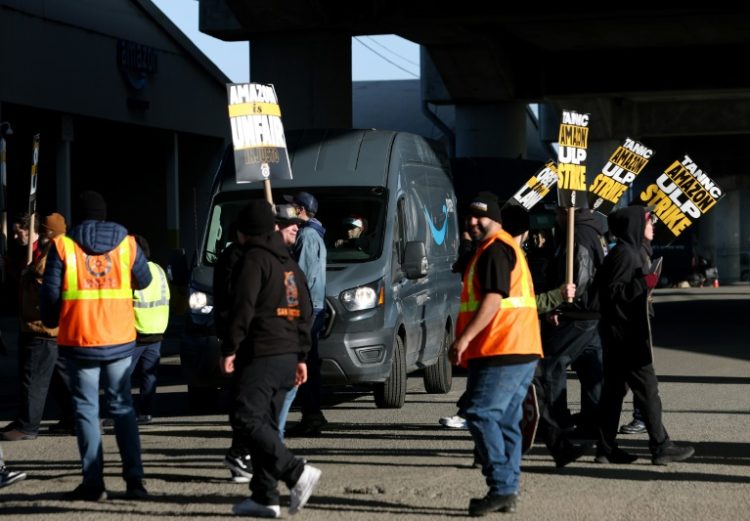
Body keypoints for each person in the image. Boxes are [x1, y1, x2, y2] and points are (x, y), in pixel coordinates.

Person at [41, 190, 153, 501]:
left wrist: (52, 322)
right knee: (123, 408)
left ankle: (94, 484)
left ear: (78, 216)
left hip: (79, 339)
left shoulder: (63, 246)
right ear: (104, 215)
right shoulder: (127, 244)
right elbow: (143, 281)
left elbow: (50, 294)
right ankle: (135, 482)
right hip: (118, 339)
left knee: (87, 412)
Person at [220, 199, 321, 517]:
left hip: (262, 352)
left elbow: (243, 307)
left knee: (246, 417)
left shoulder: (255, 260)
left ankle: (295, 471)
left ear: (246, 231)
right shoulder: (289, 265)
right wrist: (302, 355)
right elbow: (305, 311)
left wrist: (229, 347)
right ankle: (264, 495)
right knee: (265, 424)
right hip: (288, 355)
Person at [448, 192, 543, 516]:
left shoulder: (495, 250)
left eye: (480, 216)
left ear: (496, 219)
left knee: (479, 414)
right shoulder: (498, 248)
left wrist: (463, 339)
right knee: (506, 421)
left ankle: (502, 486)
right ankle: (508, 489)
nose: (473, 222)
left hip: (501, 347)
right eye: (469, 217)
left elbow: (493, 299)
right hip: (520, 347)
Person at [595, 205, 694, 465]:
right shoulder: (626, 254)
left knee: (614, 392)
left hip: (622, 333)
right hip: (626, 335)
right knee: (648, 390)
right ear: (635, 225)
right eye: (649, 221)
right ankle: (661, 446)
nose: (653, 226)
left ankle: (605, 448)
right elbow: (612, 294)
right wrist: (644, 283)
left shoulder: (631, 251)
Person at [1, 213, 74, 441]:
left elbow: (44, 279)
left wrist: (28, 273)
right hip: (48, 327)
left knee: (33, 378)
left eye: (18, 231)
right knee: (61, 380)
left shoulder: (55, 249)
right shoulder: (46, 249)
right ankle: (76, 420)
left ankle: (27, 426)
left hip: (42, 326)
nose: (15, 236)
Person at [539, 208, 607, 439]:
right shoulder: (590, 231)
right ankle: (593, 423)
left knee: (551, 364)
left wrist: (562, 306)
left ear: (566, 212)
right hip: (591, 314)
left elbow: (581, 276)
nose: (555, 216)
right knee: (591, 369)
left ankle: (556, 421)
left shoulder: (577, 233)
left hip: (578, 315)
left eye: (557, 211)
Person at [283, 191, 329, 437]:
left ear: (300, 209)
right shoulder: (312, 234)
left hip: (308, 308)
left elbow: (299, 277)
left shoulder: (308, 236)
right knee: (308, 361)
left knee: (304, 362)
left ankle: (312, 416)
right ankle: (313, 415)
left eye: (291, 206)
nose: (287, 209)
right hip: (314, 306)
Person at [129, 234, 170, 424]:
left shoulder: (133, 272)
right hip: (157, 331)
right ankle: (145, 413)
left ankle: (123, 413)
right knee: (149, 375)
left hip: (137, 331)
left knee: (122, 376)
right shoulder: (159, 269)